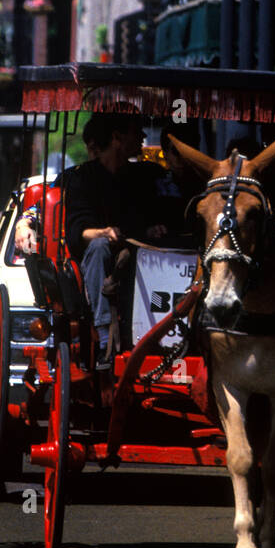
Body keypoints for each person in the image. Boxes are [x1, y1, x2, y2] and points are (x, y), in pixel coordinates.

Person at [64, 112, 167, 364]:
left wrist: (153, 230)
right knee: (99, 246)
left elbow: (147, 218)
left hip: (136, 253)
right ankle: (104, 336)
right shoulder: (80, 177)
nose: (143, 137)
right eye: (136, 131)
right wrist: (102, 232)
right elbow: (77, 231)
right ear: (117, 138)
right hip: (97, 257)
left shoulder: (143, 176)